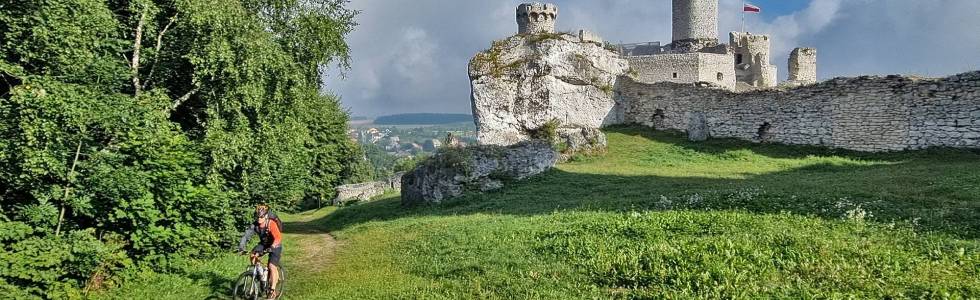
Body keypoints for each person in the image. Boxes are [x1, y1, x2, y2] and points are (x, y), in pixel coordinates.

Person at [238, 204, 283, 299]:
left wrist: (273, 246)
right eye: (257, 216)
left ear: (266, 216)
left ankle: (272, 290)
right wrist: (241, 247)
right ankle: (260, 273)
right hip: (263, 244)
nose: (259, 218)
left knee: (271, 266)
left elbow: (278, 237)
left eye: (261, 216)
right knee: (252, 255)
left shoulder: (271, 223)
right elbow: (246, 236)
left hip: (275, 244)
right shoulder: (255, 225)